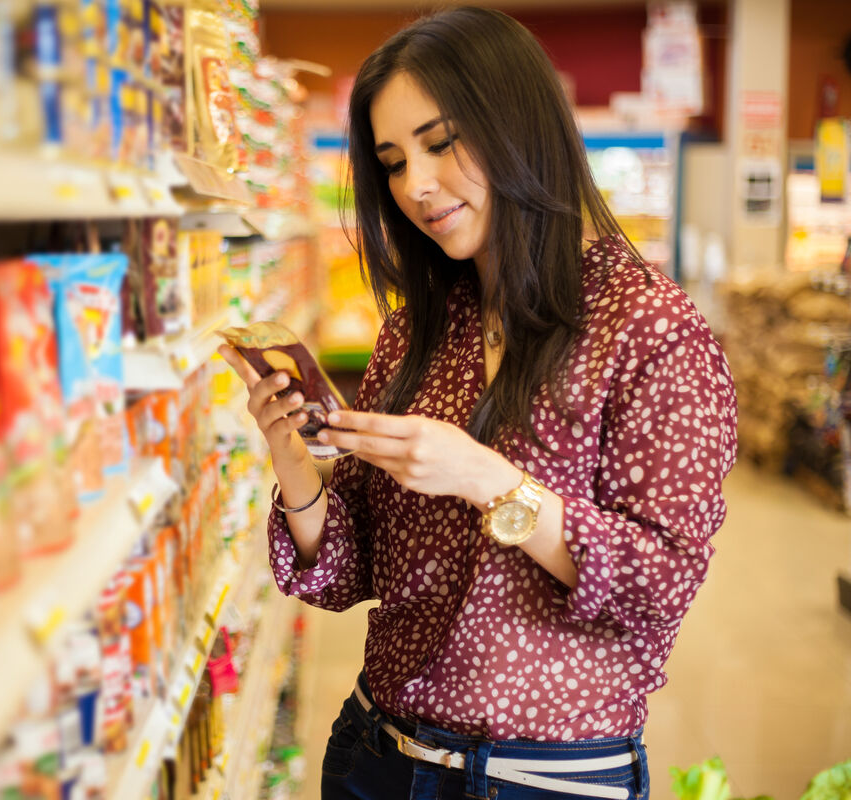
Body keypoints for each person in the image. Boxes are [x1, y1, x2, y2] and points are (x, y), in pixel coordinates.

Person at [218, 7, 738, 800]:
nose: (415, 186)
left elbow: (658, 582)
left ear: (517, 123)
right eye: (392, 161)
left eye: (440, 141)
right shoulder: (422, 329)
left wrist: (490, 481)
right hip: (374, 755)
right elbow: (351, 569)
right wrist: (296, 462)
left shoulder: (651, 330)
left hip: (543, 779)